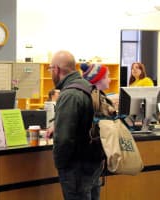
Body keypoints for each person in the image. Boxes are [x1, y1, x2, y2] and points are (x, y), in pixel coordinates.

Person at [49, 50, 104, 200]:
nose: (50, 73)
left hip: (76, 169)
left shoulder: (69, 95)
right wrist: (58, 124)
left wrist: (60, 166)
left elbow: (64, 140)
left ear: (56, 69)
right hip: (94, 162)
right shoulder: (88, 87)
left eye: (50, 69)